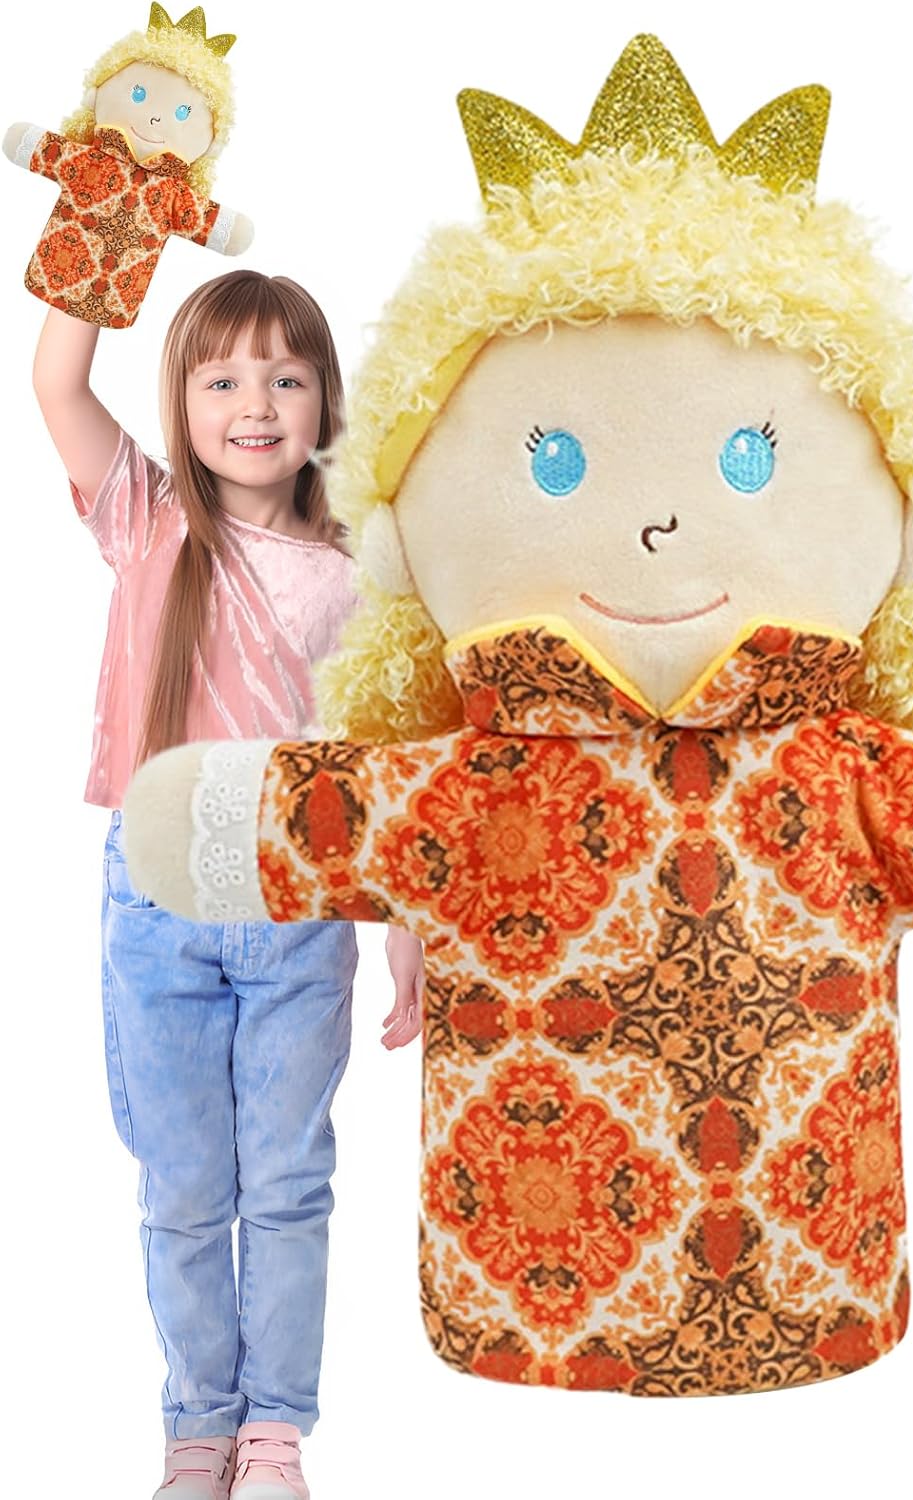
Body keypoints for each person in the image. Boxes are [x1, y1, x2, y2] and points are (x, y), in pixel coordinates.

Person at [32, 270, 422, 1499]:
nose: (255, 404)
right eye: (222, 379)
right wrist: (111, 225)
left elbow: (379, 765)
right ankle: (198, 1426)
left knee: (289, 1184)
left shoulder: (360, 569)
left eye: (285, 378)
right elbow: (56, 380)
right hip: (158, 906)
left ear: (324, 401)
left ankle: (275, 1435)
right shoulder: (148, 519)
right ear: (183, 401)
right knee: (186, 1186)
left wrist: (405, 925)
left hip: (297, 908)